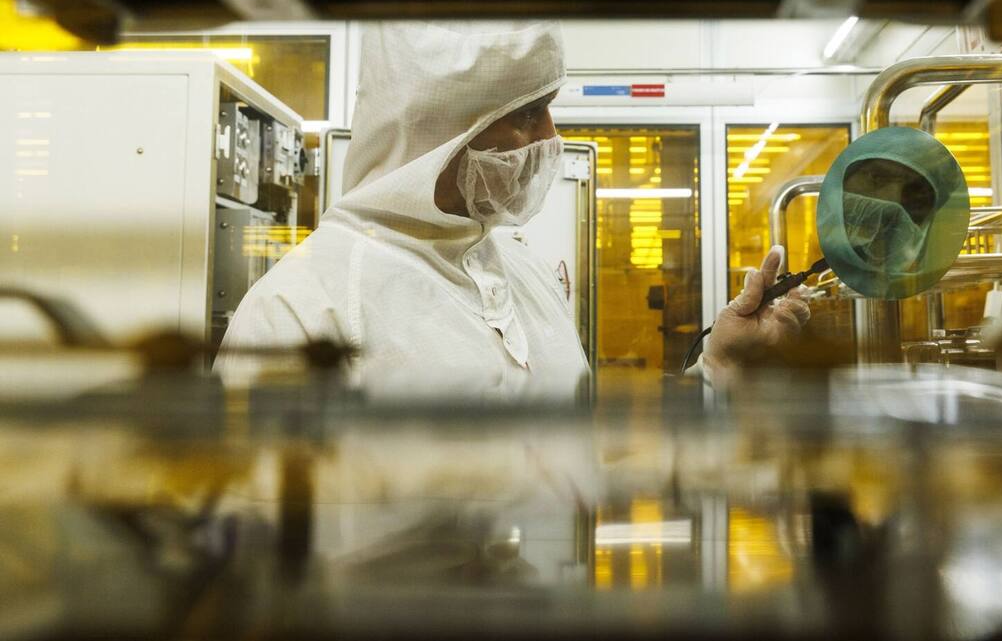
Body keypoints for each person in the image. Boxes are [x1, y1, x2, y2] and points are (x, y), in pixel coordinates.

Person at [217, 22, 809, 398]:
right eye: (528, 113)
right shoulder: (300, 309)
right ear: (445, 128)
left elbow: (581, 455)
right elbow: (252, 552)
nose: (550, 136)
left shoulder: (518, 271)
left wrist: (721, 364)